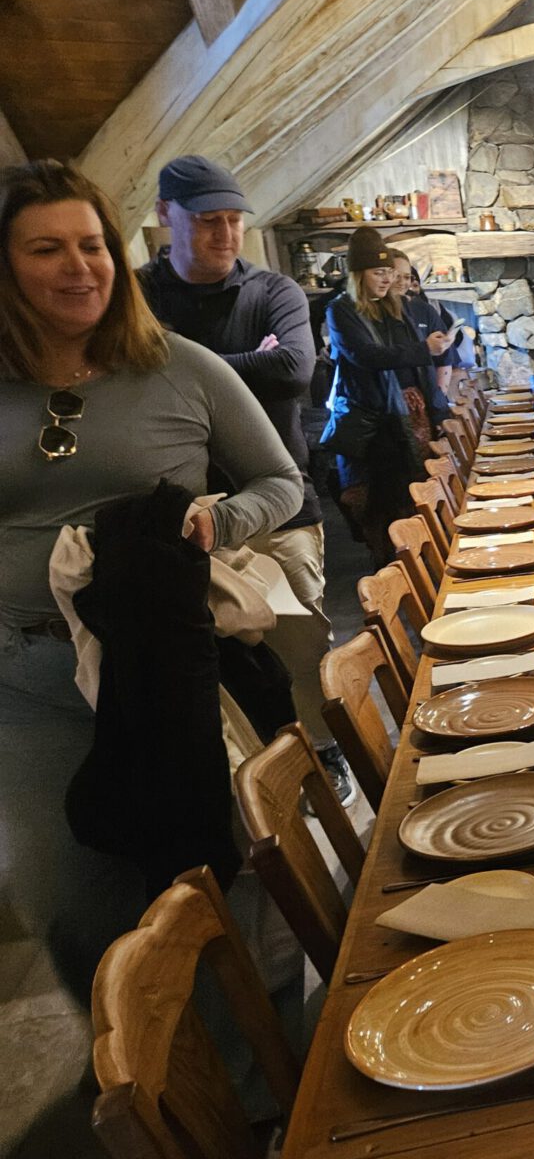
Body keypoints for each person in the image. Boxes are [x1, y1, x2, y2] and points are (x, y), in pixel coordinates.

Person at [0, 160, 303, 996]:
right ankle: (144, 1065)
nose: (80, 266)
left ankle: (254, 1060)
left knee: (218, 875)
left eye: (92, 245)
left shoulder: (181, 366)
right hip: (27, 680)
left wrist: (218, 522)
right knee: (70, 903)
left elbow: (280, 482)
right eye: (46, 249)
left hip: (166, 666)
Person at [138, 154, 355, 801]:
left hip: (280, 504)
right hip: (183, 516)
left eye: (234, 220)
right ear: (166, 215)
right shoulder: (136, 295)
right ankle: (260, 777)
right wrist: (242, 363)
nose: (226, 234)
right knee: (213, 663)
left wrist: (180, 365)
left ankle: (323, 753)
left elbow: (293, 371)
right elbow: (129, 377)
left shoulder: (273, 292)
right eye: (208, 220)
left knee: (303, 645)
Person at [321, 228, 448, 566]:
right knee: (379, 504)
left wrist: (437, 409)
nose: (387, 279)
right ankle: (392, 571)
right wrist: (423, 349)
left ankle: (423, 567)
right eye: (379, 272)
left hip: (413, 415)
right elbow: (366, 355)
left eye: (388, 272)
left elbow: (416, 365)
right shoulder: (341, 310)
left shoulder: (397, 306)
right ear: (358, 274)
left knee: (415, 494)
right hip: (374, 423)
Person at [389, 249, 454, 422]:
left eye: (407, 277)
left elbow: (445, 359)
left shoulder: (424, 310)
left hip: (427, 401)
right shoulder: (371, 316)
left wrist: (438, 398)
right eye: (397, 276)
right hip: (393, 407)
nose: (402, 282)